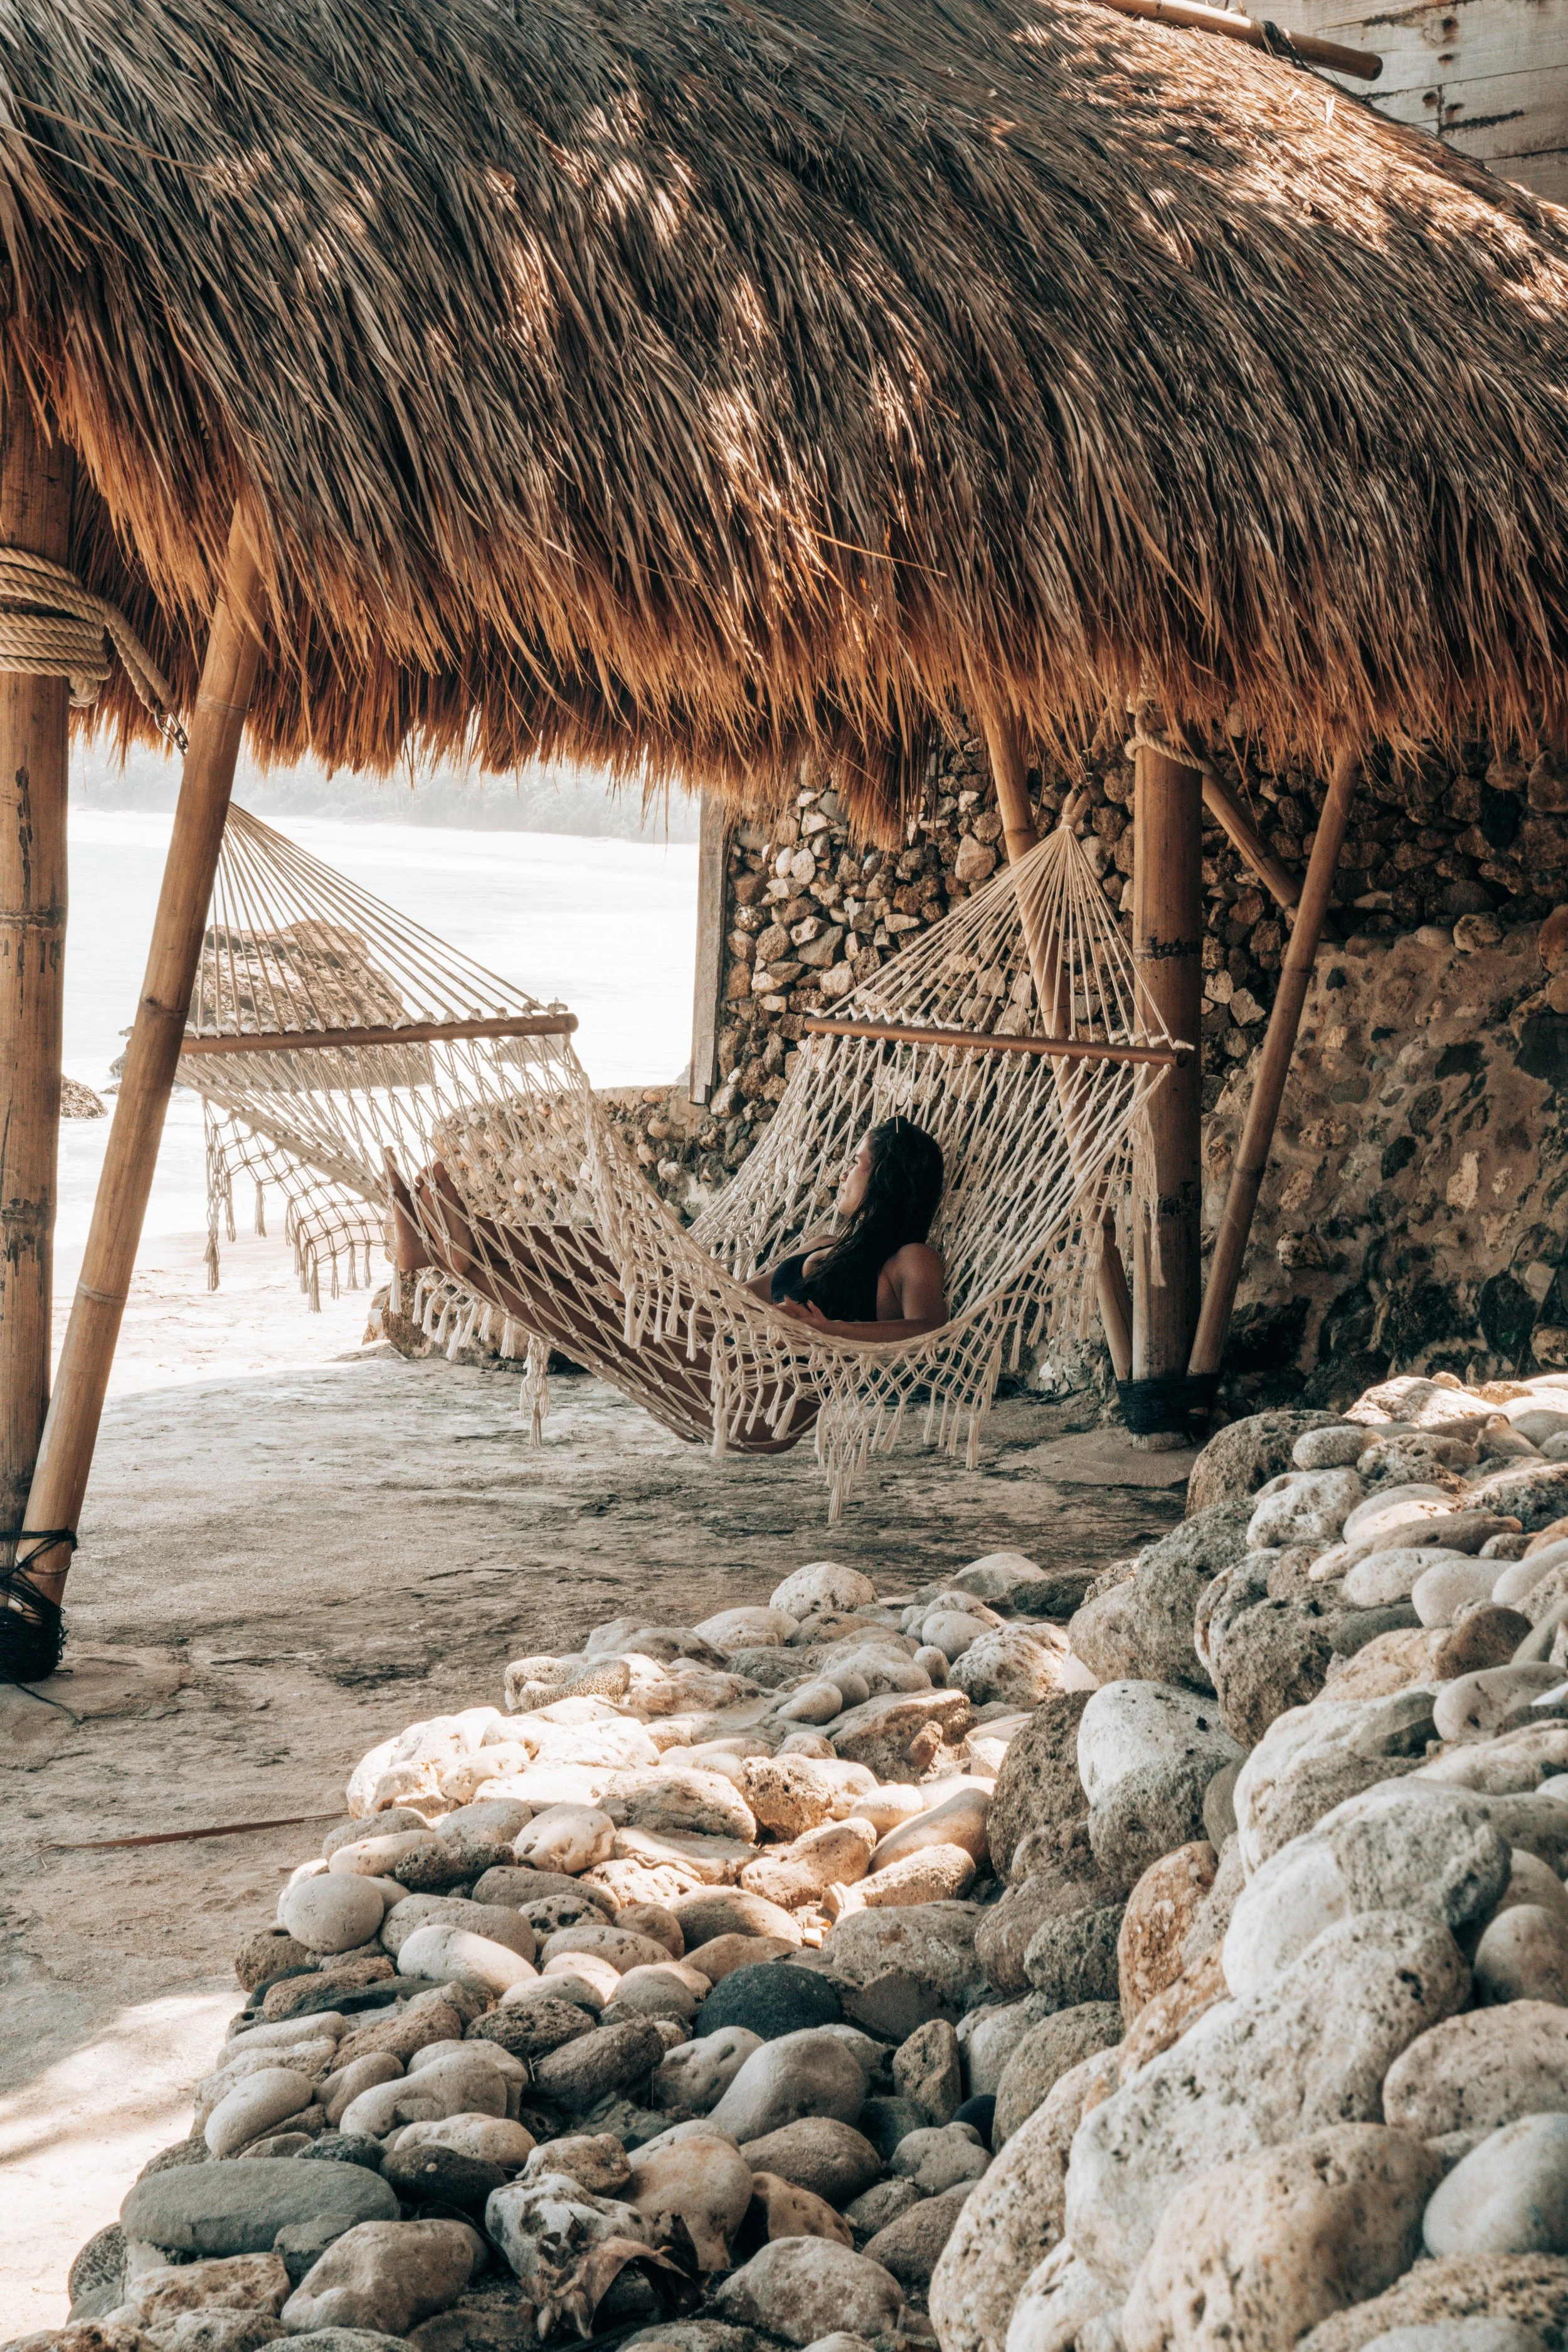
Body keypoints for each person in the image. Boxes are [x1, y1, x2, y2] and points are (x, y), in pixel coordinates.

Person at [385, 1115, 947, 1452]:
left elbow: (930, 1334)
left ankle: (448, 1246)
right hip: (708, 1363)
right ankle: (445, 1248)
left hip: (759, 1406)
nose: (842, 1173)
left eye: (857, 1163)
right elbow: (735, 1299)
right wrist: (658, 1287)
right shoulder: (823, 1244)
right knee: (610, 1267)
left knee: (601, 1318)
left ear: (884, 1181)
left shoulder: (912, 1259)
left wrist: (833, 1333)